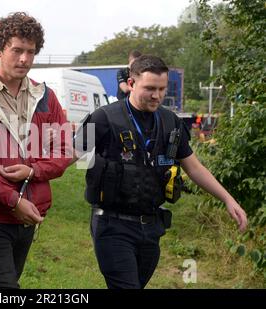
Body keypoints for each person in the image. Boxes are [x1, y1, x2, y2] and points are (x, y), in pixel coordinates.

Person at [73, 55, 247, 289]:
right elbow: (70, 153)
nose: (157, 95)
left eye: (162, 89)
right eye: (150, 88)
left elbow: (194, 167)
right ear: (132, 84)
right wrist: (33, 175)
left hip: (151, 228)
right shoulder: (104, 118)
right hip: (113, 226)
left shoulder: (170, 121)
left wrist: (227, 199)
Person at [0, 12, 72, 288]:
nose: (24, 59)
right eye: (17, 50)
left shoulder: (46, 96)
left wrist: (33, 171)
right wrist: (13, 201)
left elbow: (65, 149)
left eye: (31, 52)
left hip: (31, 213)